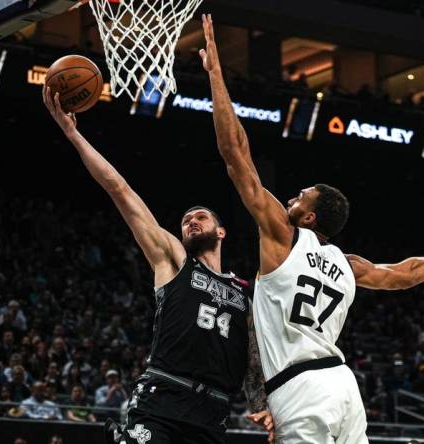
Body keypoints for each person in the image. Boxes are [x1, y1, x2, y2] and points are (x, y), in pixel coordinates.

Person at [199, 14, 424, 444]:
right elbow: (405, 275)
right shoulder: (348, 265)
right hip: (343, 387)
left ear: (309, 218)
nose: (291, 199)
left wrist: (216, 76)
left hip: (300, 390)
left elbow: (235, 152)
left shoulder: (283, 235)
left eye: (299, 198)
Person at [43, 85, 273, 443]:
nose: (192, 222)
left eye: (200, 217)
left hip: (213, 411)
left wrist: (260, 401)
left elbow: (254, 353)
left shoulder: (244, 290)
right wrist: (74, 135)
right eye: (186, 221)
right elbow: (120, 189)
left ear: (222, 232)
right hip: (163, 397)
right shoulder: (175, 261)